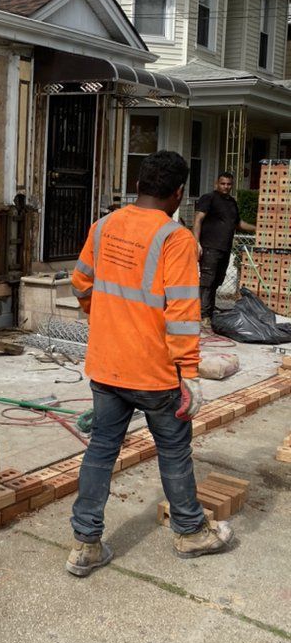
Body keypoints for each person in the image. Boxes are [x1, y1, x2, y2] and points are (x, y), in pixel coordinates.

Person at [68, 150, 234, 577]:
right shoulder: (174, 239)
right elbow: (182, 312)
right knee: (174, 453)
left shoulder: (104, 226)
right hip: (156, 374)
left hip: (106, 367)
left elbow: (80, 282)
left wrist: (100, 314)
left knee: (101, 452)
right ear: (178, 194)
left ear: (138, 184)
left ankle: (85, 545)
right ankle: (191, 532)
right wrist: (190, 374)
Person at [192, 172, 256, 327]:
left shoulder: (232, 202)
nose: (226, 187)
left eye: (228, 184)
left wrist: (258, 229)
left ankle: (209, 310)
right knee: (207, 281)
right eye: (223, 183)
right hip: (209, 246)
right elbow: (198, 219)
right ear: (217, 184)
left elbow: (238, 223)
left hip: (224, 248)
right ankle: (203, 315)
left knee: (216, 281)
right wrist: (196, 242)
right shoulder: (209, 198)